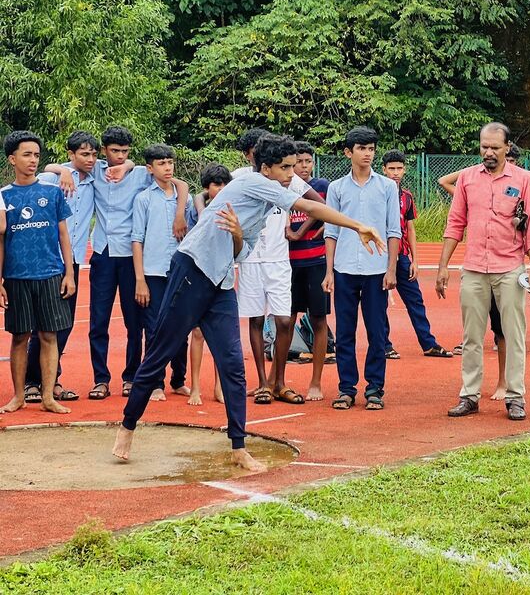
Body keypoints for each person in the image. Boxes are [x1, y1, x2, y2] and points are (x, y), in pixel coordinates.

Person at [112, 134, 385, 471]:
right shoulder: (252, 182)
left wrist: (238, 233)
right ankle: (127, 427)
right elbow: (310, 206)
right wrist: (358, 225)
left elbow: (240, 253)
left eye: (293, 167)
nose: (291, 174)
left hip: (222, 282)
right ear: (266, 168)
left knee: (233, 365)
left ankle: (238, 448)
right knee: (159, 354)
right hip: (192, 271)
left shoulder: (266, 204)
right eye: (285, 168)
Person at [44, 126, 190, 400]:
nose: (120, 156)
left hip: (131, 256)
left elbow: (180, 184)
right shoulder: (94, 169)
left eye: (125, 152)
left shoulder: (140, 173)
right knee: (98, 322)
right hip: (102, 253)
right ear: (104, 151)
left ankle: (131, 377)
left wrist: (180, 213)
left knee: (134, 324)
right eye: (115, 151)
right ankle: (101, 379)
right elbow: (53, 166)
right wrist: (62, 170)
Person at [435, 122, 530, 421]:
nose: (489, 152)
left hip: (509, 268)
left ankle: (515, 397)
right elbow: (455, 223)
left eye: (495, 147)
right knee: (471, 336)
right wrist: (443, 266)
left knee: (514, 334)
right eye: (484, 146)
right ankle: (469, 395)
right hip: (474, 268)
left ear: (507, 147)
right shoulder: (467, 179)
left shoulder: (522, 180)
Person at [232, 129, 326, 405]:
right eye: (254, 151)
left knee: (284, 320)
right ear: (250, 156)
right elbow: (208, 194)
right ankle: (263, 383)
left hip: (278, 260)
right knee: (256, 320)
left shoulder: (288, 177)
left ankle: (279, 382)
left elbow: (318, 204)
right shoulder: (239, 178)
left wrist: (298, 232)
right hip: (250, 259)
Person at [324, 126, 401, 411]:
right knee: (345, 332)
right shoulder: (336, 188)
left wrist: (391, 269)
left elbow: (394, 230)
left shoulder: (387, 187)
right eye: (361, 148)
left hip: (376, 270)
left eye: (371, 149)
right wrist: (329, 271)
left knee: (377, 332)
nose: (367, 154)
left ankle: (374, 388)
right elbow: (331, 231)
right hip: (344, 269)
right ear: (349, 152)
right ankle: (346, 388)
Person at [0, 131, 76, 415]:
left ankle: (48, 397)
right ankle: (18, 396)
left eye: (36, 155)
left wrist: (69, 273)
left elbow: (64, 235)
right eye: (26, 154)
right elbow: (0, 241)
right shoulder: (3, 196)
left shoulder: (52, 193)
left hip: (50, 274)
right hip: (17, 277)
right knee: (19, 337)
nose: (33, 160)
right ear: (12, 159)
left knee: (49, 336)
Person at [24, 131, 97, 404]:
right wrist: (61, 170)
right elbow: (40, 173)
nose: (90, 159)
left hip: (73, 261)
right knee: (43, 325)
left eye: (93, 154)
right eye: (84, 154)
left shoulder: (97, 179)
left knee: (64, 324)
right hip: (48, 261)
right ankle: (32, 382)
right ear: (71, 154)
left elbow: (125, 163)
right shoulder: (52, 179)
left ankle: (51, 380)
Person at [131, 144, 193, 401]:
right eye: (161, 163)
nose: (167, 168)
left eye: (170, 162)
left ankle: (179, 380)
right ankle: (155, 382)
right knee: (154, 329)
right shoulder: (143, 199)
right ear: (150, 168)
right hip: (153, 272)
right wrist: (140, 280)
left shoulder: (185, 198)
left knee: (181, 328)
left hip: (180, 271)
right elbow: (137, 239)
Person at [381, 149, 451, 360]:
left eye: (399, 168)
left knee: (415, 300)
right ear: (384, 170)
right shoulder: (377, 194)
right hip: (380, 257)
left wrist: (415, 260)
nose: (395, 173)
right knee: (379, 303)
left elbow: (410, 228)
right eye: (391, 168)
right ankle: (384, 345)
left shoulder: (407, 197)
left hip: (402, 257)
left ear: (404, 170)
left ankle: (428, 344)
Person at [286, 141, 331, 401]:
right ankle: (277, 380)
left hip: (316, 261)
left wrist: (301, 231)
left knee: (318, 319)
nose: (303, 167)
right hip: (287, 264)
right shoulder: (282, 186)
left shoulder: (321, 186)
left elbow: (324, 211)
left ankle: (316, 381)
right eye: (298, 162)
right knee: (286, 319)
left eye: (307, 161)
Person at [186, 163, 229, 406]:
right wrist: (201, 200)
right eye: (216, 185)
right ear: (206, 187)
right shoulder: (196, 210)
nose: (221, 189)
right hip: (199, 274)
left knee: (220, 335)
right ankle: (195, 387)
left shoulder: (232, 208)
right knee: (198, 332)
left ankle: (219, 386)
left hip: (222, 276)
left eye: (224, 185)